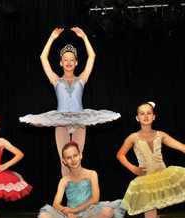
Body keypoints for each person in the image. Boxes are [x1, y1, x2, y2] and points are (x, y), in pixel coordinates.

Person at [19, 27, 121, 176]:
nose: (68, 62)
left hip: (80, 120)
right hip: (60, 121)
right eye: (65, 60)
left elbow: (92, 56)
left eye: (71, 60)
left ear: (76, 62)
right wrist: (52, 38)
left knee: (77, 158)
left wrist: (85, 37)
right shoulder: (56, 80)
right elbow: (43, 57)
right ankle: (68, 194)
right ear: (60, 63)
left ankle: (79, 194)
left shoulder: (82, 79)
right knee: (64, 159)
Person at [36, 141, 125, 218]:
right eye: (69, 158)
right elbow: (56, 203)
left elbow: (95, 198)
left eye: (75, 155)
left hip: (89, 211)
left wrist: (74, 211)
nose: (73, 160)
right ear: (64, 161)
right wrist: (68, 213)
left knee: (108, 212)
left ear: (80, 155)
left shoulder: (92, 174)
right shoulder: (64, 180)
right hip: (70, 215)